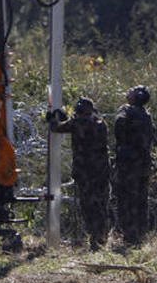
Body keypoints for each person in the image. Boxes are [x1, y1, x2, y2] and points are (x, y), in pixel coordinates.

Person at [47, 98, 111, 249]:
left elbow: (56, 127)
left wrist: (53, 117)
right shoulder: (100, 123)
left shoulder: (77, 123)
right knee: (101, 203)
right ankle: (102, 236)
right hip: (101, 170)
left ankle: (94, 238)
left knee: (88, 204)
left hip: (85, 171)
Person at [114, 85, 153, 244]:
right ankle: (141, 233)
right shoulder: (147, 115)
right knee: (141, 198)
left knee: (126, 198)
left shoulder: (126, 112)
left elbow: (118, 128)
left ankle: (130, 235)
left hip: (128, 163)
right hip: (143, 162)